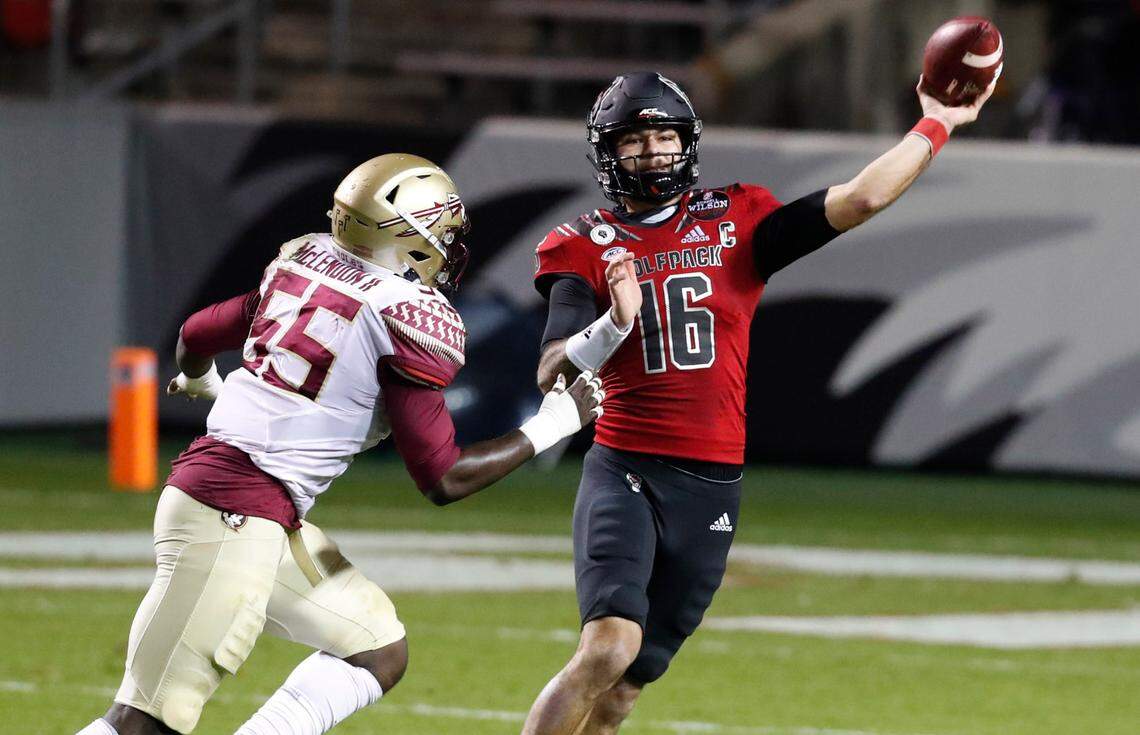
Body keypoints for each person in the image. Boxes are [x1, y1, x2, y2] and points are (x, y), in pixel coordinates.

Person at [522, 71, 994, 734]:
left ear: (688, 142)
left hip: (712, 483)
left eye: (665, 135)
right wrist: (611, 326)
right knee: (607, 646)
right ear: (609, 152)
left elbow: (860, 198)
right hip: (625, 467)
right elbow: (551, 367)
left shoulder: (736, 218)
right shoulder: (583, 244)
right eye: (636, 139)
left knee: (625, 693)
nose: (654, 151)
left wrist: (938, 121)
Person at [76, 153, 604, 735]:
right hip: (232, 513)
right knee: (141, 722)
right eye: (445, 231)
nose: (451, 247)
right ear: (411, 235)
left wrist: (202, 375)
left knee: (376, 648)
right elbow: (443, 478)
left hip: (251, 511)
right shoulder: (410, 315)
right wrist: (555, 423)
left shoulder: (306, 260)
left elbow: (197, 333)